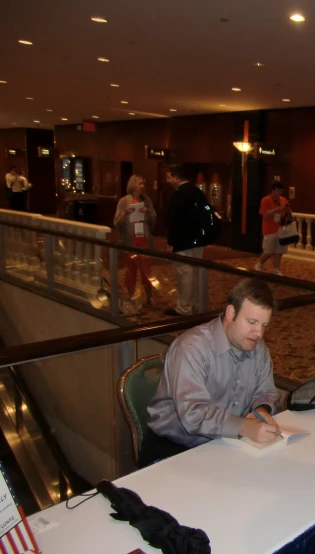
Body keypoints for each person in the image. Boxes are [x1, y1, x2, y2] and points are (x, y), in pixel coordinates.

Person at [142, 278, 282, 467]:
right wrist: (244, 426)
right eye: (252, 322)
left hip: (225, 443)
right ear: (231, 313)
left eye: (264, 325)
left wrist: (261, 411)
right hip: (174, 447)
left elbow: (267, 393)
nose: (258, 333)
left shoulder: (257, 347)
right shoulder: (191, 347)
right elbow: (194, 413)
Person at [164, 164, 207, 316]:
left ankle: (184, 307)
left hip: (183, 241)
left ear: (176, 178)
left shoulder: (179, 194)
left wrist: (171, 242)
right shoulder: (197, 191)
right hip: (198, 241)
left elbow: (175, 220)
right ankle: (195, 303)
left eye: (169, 177)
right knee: (195, 272)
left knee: (184, 274)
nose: (168, 180)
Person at [113, 175, 157, 305]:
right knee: (130, 271)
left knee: (146, 272)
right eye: (140, 183)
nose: (142, 186)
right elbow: (117, 223)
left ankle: (149, 297)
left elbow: (154, 219)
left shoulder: (146, 200)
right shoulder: (124, 201)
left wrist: (147, 212)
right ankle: (132, 296)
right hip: (129, 241)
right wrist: (126, 213)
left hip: (144, 240)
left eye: (143, 183)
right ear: (132, 185)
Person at [255, 181, 290, 276]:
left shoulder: (283, 200)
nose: (279, 194)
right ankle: (260, 264)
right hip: (269, 230)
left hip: (281, 229)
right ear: (272, 190)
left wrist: (287, 221)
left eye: (280, 192)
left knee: (279, 251)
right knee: (268, 251)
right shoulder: (265, 200)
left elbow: (288, 212)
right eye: (277, 191)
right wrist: (277, 209)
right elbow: (265, 214)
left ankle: (276, 269)